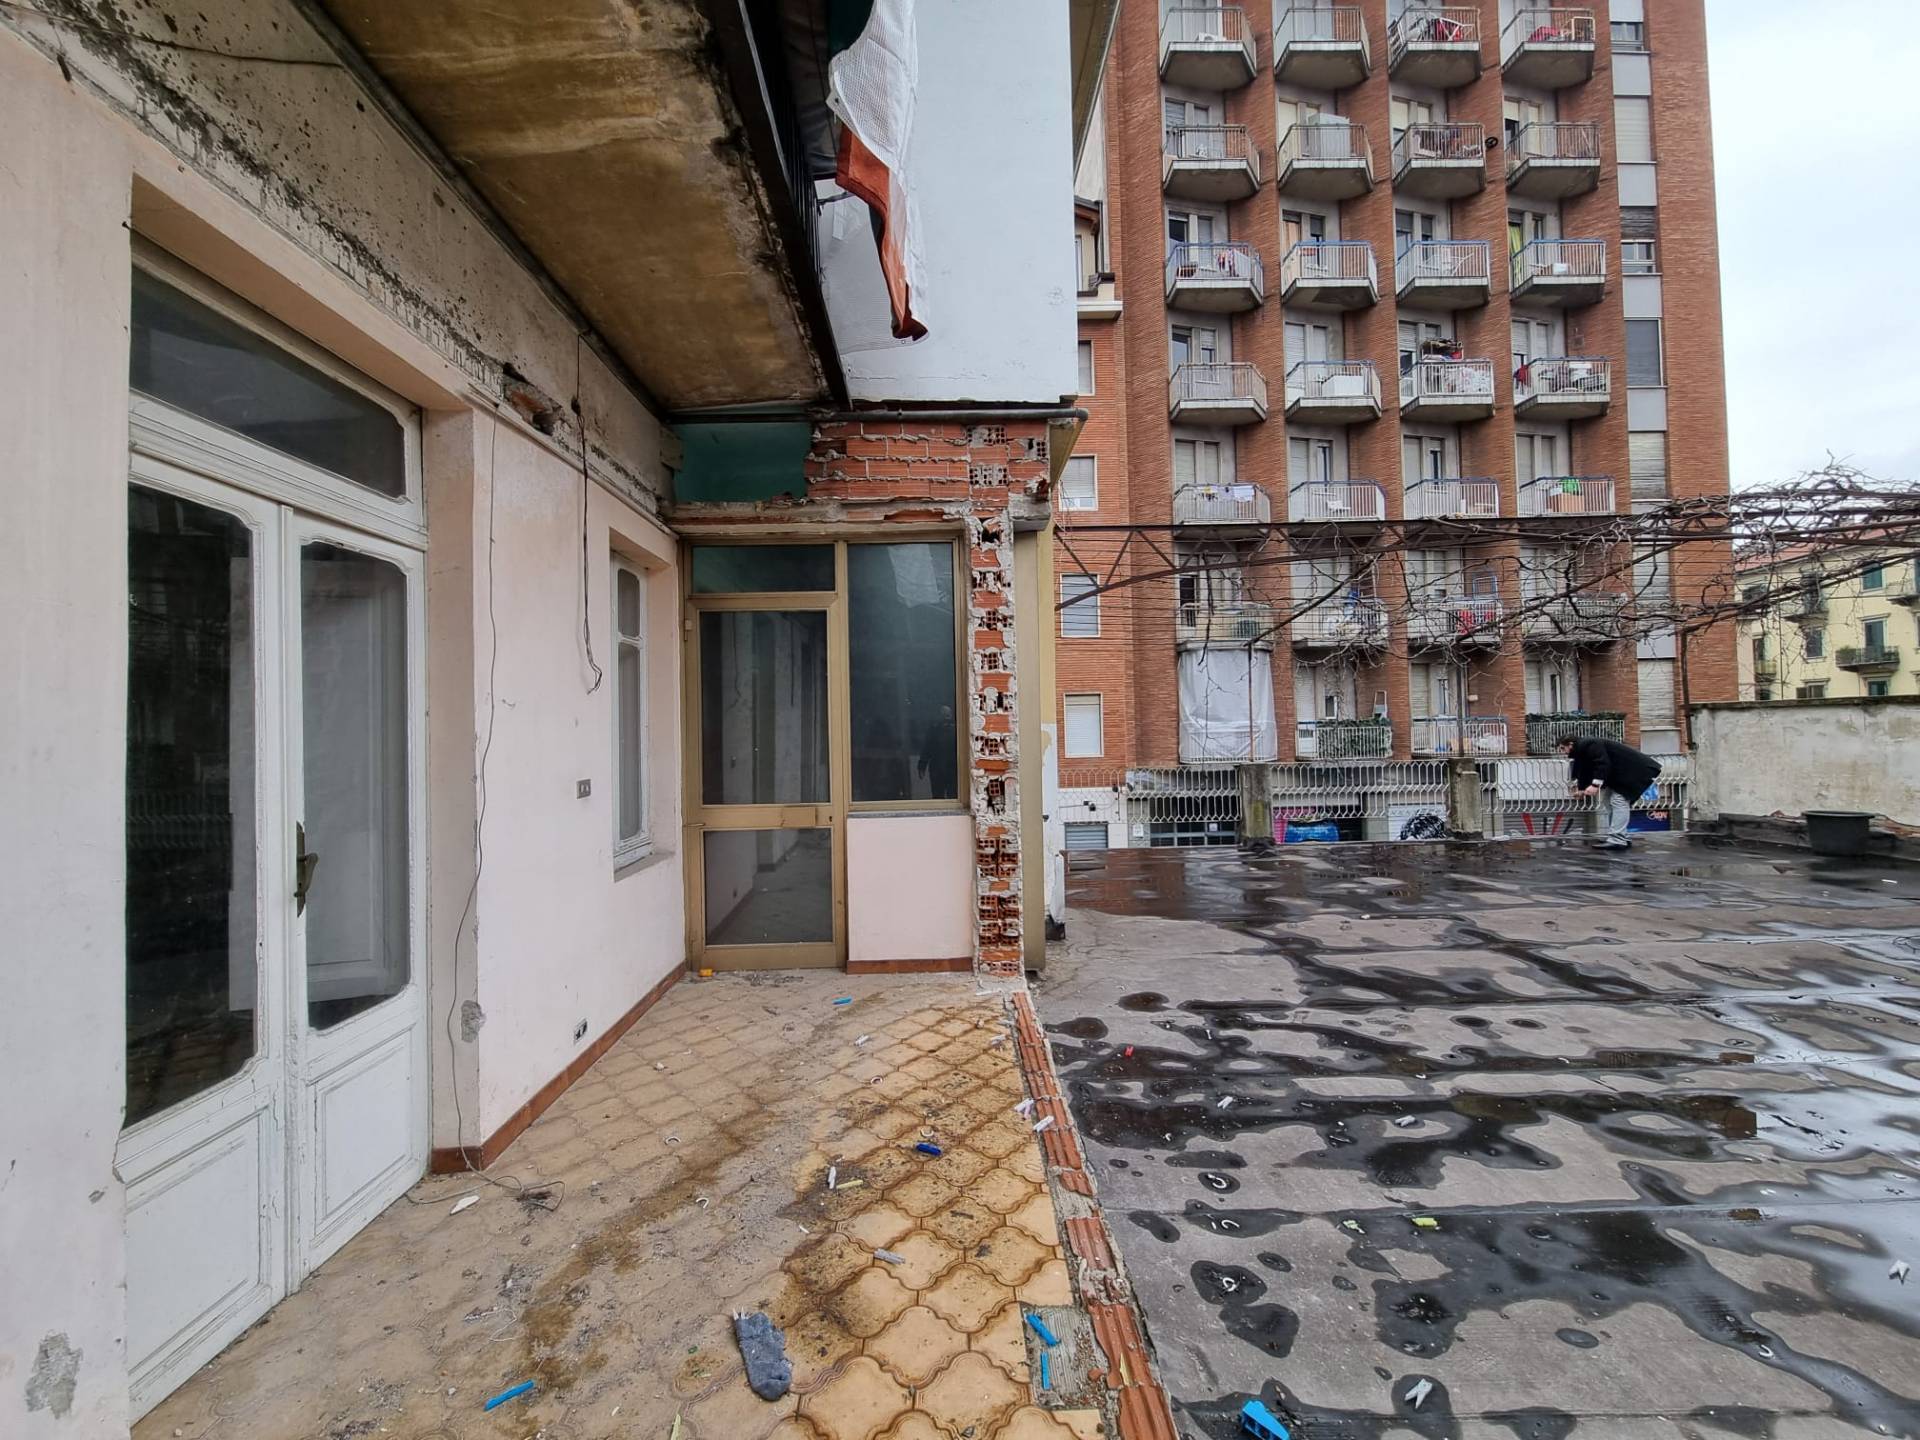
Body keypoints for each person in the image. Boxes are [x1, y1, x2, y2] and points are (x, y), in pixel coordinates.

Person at [1558, 734, 1662, 851]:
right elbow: (1584, 771)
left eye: (1562, 748)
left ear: (1570, 745)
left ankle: (1618, 839)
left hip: (1634, 772)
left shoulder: (1589, 744)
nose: (1562, 752)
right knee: (1607, 801)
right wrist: (1582, 790)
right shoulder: (1581, 750)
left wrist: (1595, 785)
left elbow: (1602, 764)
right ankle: (1620, 836)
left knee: (1618, 801)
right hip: (1621, 775)